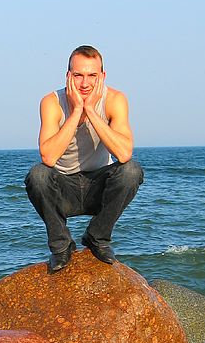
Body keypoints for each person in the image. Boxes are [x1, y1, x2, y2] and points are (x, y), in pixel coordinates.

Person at [25, 45, 144, 272]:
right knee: (38, 175)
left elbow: (124, 153)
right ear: (68, 76)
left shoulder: (115, 99)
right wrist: (77, 111)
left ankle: (97, 237)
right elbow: (48, 157)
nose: (85, 83)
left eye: (92, 76)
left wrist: (91, 110)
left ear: (103, 76)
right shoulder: (51, 102)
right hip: (63, 187)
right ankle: (61, 246)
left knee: (131, 171)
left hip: (98, 187)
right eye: (78, 75)